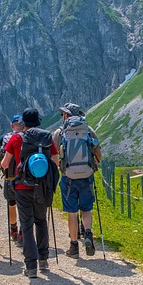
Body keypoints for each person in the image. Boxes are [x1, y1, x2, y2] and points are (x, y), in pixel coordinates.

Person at [1, 108, 58, 278]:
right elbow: (55, 162)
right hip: (42, 188)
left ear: (24, 122)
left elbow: (4, 163)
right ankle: (43, 260)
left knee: (26, 225)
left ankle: (31, 266)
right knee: (41, 221)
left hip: (22, 187)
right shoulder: (47, 137)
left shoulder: (16, 138)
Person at [53, 103, 101, 259]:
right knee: (86, 209)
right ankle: (87, 233)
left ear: (66, 115)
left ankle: (74, 246)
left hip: (68, 177)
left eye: (63, 115)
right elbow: (98, 153)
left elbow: (54, 156)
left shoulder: (60, 132)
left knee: (72, 213)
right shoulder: (88, 130)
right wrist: (93, 166)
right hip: (86, 175)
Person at [0, 114, 25, 247]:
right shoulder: (27, 138)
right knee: (24, 205)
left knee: (11, 204)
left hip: (10, 177)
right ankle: (22, 232)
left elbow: (2, 161)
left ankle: (13, 229)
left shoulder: (5, 138)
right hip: (25, 178)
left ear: (12, 125)